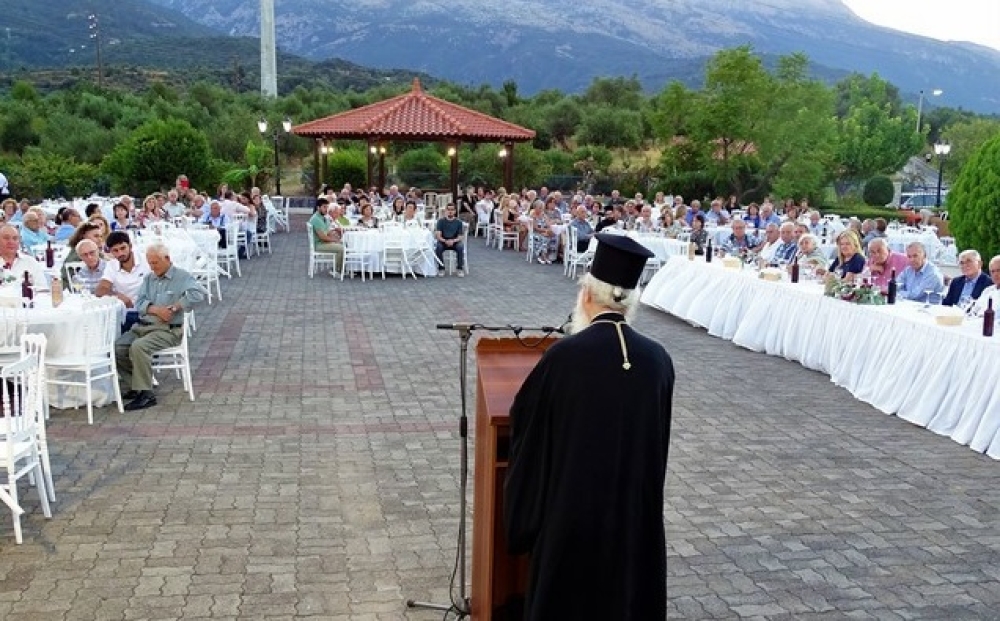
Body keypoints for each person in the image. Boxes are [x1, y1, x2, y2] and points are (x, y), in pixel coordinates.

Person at [504, 233, 674, 621]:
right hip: (634, 515)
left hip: (572, 515)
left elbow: (525, 422)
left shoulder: (563, 358)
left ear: (585, 295)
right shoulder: (658, 359)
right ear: (631, 301)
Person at [115, 243, 204, 411]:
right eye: (150, 263)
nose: (152, 267)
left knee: (139, 347)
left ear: (167, 259)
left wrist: (176, 306)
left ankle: (147, 394)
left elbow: (198, 294)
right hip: (144, 325)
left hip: (168, 329)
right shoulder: (150, 278)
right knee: (118, 347)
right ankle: (137, 386)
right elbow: (139, 301)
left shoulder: (182, 276)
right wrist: (154, 309)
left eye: (155, 263)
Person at [97, 231, 152, 332]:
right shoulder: (112, 265)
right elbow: (101, 290)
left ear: (130, 246)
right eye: (115, 251)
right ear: (111, 252)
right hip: (125, 313)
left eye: (123, 248)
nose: (120, 253)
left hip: (148, 311)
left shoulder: (146, 260)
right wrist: (119, 296)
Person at [308, 198, 344, 274]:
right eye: (324, 207)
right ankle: (336, 270)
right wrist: (335, 241)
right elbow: (323, 237)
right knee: (341, 249)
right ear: (318, 207)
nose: (326, 209)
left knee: (344, 244)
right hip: (319, 245)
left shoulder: (323, 218)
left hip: (324, 242)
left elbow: (328, 232)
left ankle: (343, 269)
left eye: (327, 207)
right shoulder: (316, 219)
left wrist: (337, 237)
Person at [434, 203, 465, 277]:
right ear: (445, 211)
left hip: (455, 241)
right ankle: (441, 268)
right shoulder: (441, 221)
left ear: (455, 211)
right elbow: (438, 235)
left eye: (452, 210)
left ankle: (460, 268)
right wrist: (445, 241)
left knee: (460, 247)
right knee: (438, 247)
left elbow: (460, 236)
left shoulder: (459, 222)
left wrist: (453, 241)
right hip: (443, 241)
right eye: (448, 210)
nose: (450, 211)